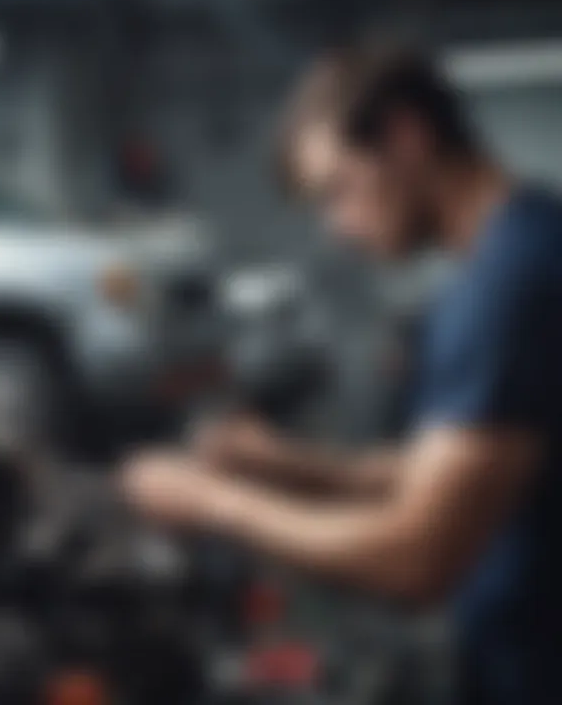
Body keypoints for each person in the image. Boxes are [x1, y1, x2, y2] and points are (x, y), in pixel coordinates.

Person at [120, 43, 562, 705]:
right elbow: (432, 475)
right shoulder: (508, 255)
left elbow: (417, 557)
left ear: (406, 136)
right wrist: (281, 462)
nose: (338, 229)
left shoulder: (513, 281)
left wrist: (212, 504)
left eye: (339, 191)